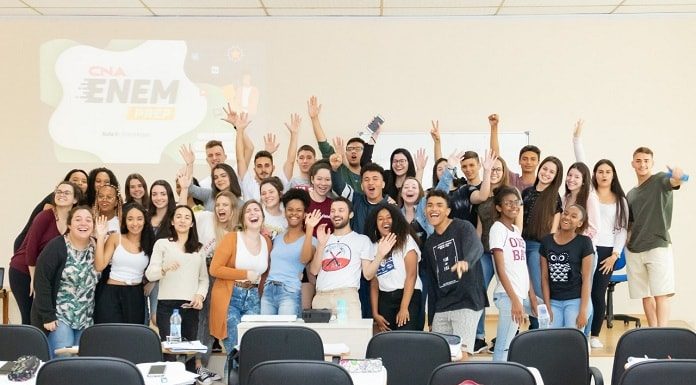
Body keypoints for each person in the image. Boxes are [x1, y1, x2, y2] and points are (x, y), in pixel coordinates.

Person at [209, 200, 271, 372]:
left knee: (251, 349)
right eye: (248, 211)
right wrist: (244, 274)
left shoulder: (267, 242)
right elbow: (215, 269)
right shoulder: (232, 238)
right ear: (243, 219)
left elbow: (266, 273)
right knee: (234, 350)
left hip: (253, 298)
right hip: (231, 297)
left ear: (262, 217)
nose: (253, 213)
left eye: (257, 210)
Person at [626, 147, 684, 327]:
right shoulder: (631, 194)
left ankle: (663, 333)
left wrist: (678, 175)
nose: (642, 164)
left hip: (658, 245)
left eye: (646, 161)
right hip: (635, 249)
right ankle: (652, 332)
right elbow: (631, 224)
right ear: (633, 164)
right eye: (639, 161)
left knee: (661, 293)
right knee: (645, 295)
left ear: (652, 163)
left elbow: (675, 181)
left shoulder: (660, 179)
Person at [423, 190, 485, 358]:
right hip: (442, 306)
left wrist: (466, 261)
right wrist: (431, 319)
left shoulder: (462, 226)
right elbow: (432, 283)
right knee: (439, 356)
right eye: (429, 205)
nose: (433, 209)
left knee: (461, 356)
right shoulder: (429, 244)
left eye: (439, 205)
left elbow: (477, 247)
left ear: (448, 210)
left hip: (467, 302)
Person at [9, 181, 81, 324]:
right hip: (23, 271)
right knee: (29, 317)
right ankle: (28, 346)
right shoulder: (44, 216)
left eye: (66, 193)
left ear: (75, 199)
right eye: (58, 192)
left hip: (42, 275)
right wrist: (34, 280)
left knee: (41, 318)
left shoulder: (73, 222)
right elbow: (31, 248)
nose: (61, 195)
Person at [145, 205, 208, 367]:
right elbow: (150, 274)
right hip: (167, 306)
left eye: (187, 217)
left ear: (192, 223)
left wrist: (199, 296)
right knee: (170, 354)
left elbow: (203, 279)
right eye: (178, 216)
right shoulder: (162, 244)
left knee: (189, 355)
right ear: (172, 221)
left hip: (190, 306)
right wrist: (164, 269)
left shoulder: (199, 248)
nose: (183, 220)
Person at [31, 206, 98, 358]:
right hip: (60, 316)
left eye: (88, 220)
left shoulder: (96, 247)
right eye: (78, 219)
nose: (83, 223)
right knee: (63, 360)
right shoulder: (56, 247)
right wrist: (48, 316)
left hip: (85, 318)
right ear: (69, 225)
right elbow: (42, 281)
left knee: (81, 364)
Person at [489, 186, 536, 361]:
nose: (513, 206)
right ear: (499, 207)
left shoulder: (516, 230)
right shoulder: (497, 228)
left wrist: (531, 295)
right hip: (509, 296)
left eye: (516, 202)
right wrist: (515, 300)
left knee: (509, 344)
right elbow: (500, 268)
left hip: (520, 294)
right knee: (503, 345)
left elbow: (522, 265)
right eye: (508, 203)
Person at [309, 197, 373, 319]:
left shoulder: (362, 240)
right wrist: (321, 245)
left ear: (351, 214)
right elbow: (314, 270)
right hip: (321, 296)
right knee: (321, 338)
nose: (336, 214)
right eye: (332, 211)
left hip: (347, 296)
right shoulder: (323, 238)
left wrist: (380, 254)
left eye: (341, 210)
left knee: (349, 337)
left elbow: (368, 275)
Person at [588, 159, 628, 348]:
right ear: (594, 174)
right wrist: (576, 139)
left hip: (607, 252)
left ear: (613, 175)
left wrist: (615, 255)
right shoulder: (589, 193)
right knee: (581, 293)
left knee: (597, 294)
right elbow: (581, 159)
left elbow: (622, 230)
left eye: (608, 171)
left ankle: (594, 335)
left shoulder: (621, 200)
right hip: (586, 247)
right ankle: (579, 333)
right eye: (600, 171)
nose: (603, 175)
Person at [261, 190, 320, 316]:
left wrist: (309, 229)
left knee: (286, 333)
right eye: (290, 209)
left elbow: (305, 259)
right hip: (268, 291)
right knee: (265, 333)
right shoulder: (276, 238)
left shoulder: (312, 240)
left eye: (299, 210)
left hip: (290, 291)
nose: (294, 213)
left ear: (305, 214)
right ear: (285, 212)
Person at [364, 203, 422, 331]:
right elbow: (374, 283)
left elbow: (411, 275)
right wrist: (375, 313)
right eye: (380, 218)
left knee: (406, 340)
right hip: (385, 299)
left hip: (408, 296)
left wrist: (404, 307)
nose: (385, 221)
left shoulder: (406, 240)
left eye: (389, 217)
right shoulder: (373, 247)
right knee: (388, 343)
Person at [93, 203, 153, 324]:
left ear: (145, 221)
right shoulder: (115, 238)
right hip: (111, 293)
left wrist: (152, 283)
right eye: (130, 219)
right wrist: (100, 237)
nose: (135, 223)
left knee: (132, 337)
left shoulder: (150, 242)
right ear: (125, 221)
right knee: (110, 335)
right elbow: (99, 266)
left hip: (136, 294)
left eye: (139, 219)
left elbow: (156, 267)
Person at [522, 156, 563, 328]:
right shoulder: (526, 193)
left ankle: (538, 327)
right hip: (520, 245)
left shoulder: (554, 197)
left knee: (537, 289)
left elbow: (553, 230)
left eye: (552, 172)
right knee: (523, 288)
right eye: (545, 169)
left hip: (538, 247)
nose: (546, 173)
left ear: (556, 177)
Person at [540, 204, 594, 329]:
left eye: (573, 216)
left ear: (579, 224)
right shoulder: (546, 241)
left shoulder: (584, 242)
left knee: (572, 338)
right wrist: (547, 306)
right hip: (554, 301)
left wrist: (583, 311)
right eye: (565, 213)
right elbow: (544, 277)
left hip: (576, 300)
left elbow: (587, 279)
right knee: (550, 338)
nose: (567, 217)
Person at [307, 95, 375, 194]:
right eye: (350, 148)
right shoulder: (339, 167)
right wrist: (314, 119)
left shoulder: (370, 175)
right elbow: (324, 145)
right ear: (345, 152)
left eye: (358, 148)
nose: (353, 151)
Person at [13, 169, 88, 253]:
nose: (79, 183)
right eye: (75, 180)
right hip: (26, 247)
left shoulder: (78, 203)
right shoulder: (58, 198)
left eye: (84, 181)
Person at [489, 114, 540, 192]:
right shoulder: (512, 179)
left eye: (533, 159)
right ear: (519, 161)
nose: (528, 162)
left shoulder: (541, 184)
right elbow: (495, 157)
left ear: (538, 162)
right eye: (525, 159)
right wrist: (494, 127)